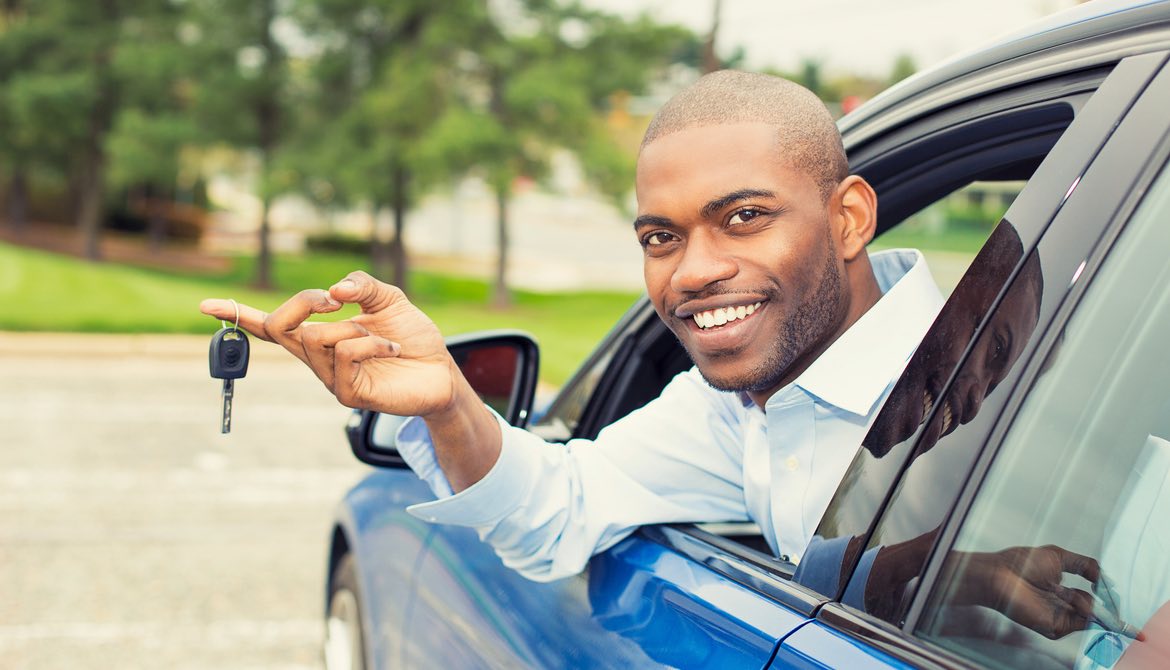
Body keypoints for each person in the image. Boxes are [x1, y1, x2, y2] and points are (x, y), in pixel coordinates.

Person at [200, 70, 944, 581]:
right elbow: (563, 507)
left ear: (848, 219)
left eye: (743, 217)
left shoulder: (1012, 378)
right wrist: (451, 402)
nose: (690, 273)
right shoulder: (736, 407)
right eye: (660, 238)